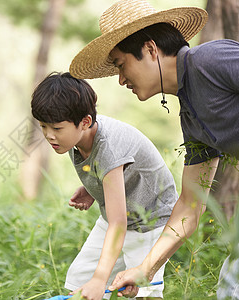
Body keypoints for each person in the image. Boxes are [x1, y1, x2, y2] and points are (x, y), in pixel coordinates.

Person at [68, 0, 239, 298]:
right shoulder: (192, 116)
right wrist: (144, 269)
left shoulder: (210, 59)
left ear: (150, 50)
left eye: (122, 65)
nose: (121, 80)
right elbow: (190, 205)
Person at [31, 72, 178, 300]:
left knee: (144, 292)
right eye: (43, 127)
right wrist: (94, 189)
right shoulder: (74, 138)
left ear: (85, 122)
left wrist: (101, 279)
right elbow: (112, 178)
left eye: (57, 129)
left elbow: (118, 221)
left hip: (150, 220)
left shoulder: (107, 146)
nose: (49, 136)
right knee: (80, 281)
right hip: (117, 216)